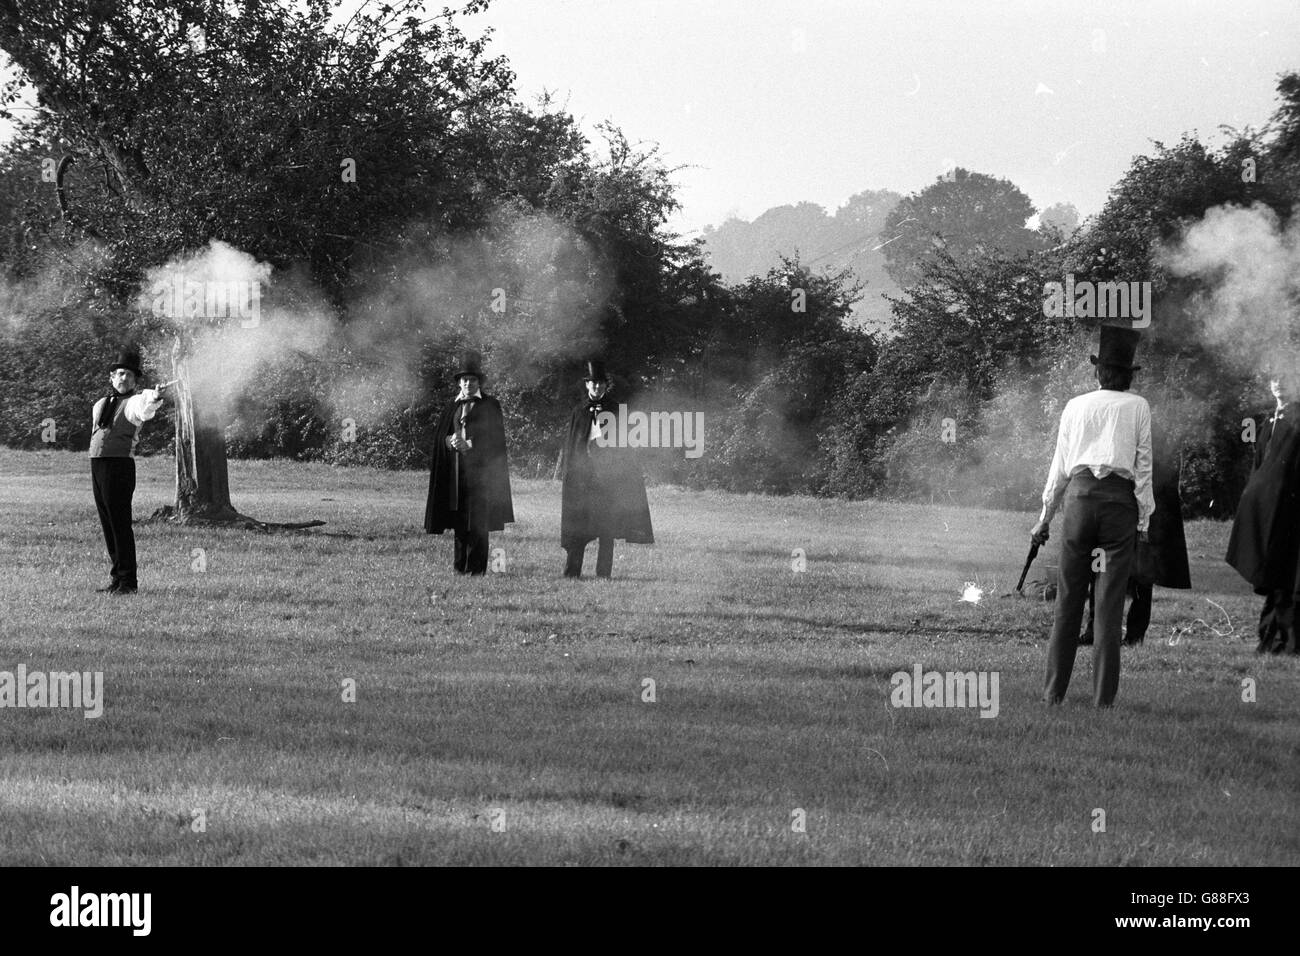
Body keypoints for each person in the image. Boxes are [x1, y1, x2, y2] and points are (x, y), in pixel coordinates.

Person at [1031, 325, 1153, 706]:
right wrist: (1144, 521)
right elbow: (1144, 468)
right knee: (1110, 604)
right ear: (1129, 374)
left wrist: (1045, 517)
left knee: (1068, 601)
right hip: (1119, 505)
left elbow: (1060, 469)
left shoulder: (1075, 406)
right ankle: (1103, 700)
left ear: (1097, 371)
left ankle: (1053, 694)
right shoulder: (1138, 407)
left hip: (1080, 502)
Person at [1080, 424, 1191, 645]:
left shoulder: (1155, 449)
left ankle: (1134, 636)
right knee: (1101, 572)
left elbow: (1156, 488)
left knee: (1142, 578)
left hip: (1147, 520)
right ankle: (1095, 630)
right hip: (1117, 516)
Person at [1226, 368, 1300, 654]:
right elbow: (1259, 464)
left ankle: (1285, 640)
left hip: (1291, 509)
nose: (1279, 383)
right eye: (1274, 379)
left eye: (1286, 378)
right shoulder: (1268, 420)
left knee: (1286, 576)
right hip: (1268, 509)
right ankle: (1269, 637)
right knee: (1272, 573)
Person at [560, 359, 654, 578]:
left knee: (606, 527)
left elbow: (624, 445)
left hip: (608, 476)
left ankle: (604, 574)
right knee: (579, 524)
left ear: (605, 386)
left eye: (601, 384)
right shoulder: (579, 412)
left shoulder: (616, 410)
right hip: (584, 476)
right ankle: (572, 572)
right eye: (593, 384)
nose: (597, 387)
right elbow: (572, 446)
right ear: (587, 386)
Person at [423, 351, 514, 574]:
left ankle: (476, 570)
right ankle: (459, 567)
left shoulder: (491, 405)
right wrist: (449, 441)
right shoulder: (451, 406)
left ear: (479, 382)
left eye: (472, 380)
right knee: (459, 521)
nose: (468, 384)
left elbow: (496, 439)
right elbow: (440, 437)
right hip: (455, 473)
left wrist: (470, 445)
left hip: (482, 474)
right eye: (464, 380)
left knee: (478, 522)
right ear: (459, 383)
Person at [90, 345, 168, 595]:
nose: (123, 378)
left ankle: (128, 582)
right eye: (119, 373)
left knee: (120, 524)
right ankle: (116, 577)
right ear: (111, 377)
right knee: (108, 524)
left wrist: (154, 397)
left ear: (135, 380)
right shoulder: (101, 403)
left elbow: (146, 408)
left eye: (128, 375)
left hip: (119, 466)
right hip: (98, 465)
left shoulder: (135, 401)